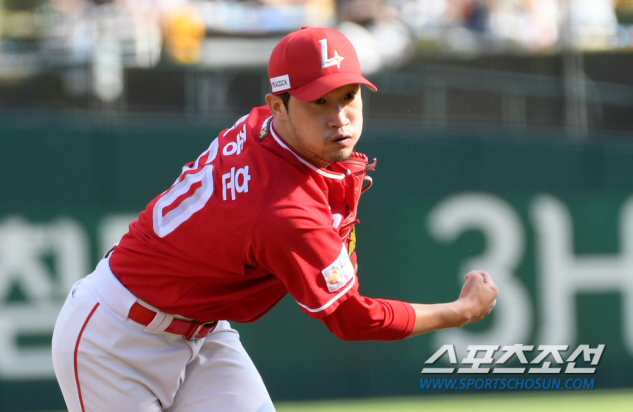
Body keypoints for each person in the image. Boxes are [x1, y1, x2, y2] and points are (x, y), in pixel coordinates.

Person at [51, 26, 499, 412]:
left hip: (201, 331)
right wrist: (457, 312)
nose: (339, 118)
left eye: (348, 96)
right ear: (278, 106)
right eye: (317, 102)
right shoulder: (284, 210)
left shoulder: (261, 127)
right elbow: (351, 319)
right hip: (113, 341)